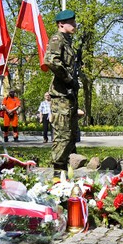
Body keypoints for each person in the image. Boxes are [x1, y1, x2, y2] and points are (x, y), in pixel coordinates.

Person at [45, 9, 80, 173]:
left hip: (69, 96)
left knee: (71, 136)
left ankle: (65, 175)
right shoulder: (57, 39)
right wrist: (69, 79)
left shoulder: (68, 42)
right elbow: (51, 61)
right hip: (61, 97)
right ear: (61, 24)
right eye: (71, 22)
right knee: (63, 136)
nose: (74, 25)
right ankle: (57, 177)